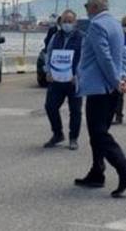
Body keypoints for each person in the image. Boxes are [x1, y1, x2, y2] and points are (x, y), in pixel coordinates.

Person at [74, 0, 126, 198]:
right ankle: (97, 172)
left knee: (99, 133)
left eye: (86, 5)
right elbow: (121, 56)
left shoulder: (96, 26)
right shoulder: (116, 25)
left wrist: (115, 82)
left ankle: (125, 170)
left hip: (100, 88)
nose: (85, 9)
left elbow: (105, 58)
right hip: (111, 88)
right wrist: (121, 79)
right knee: (98, 134)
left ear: (93, 7)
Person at [43, 9, 83, 150]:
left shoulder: (82, 38)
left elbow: (84, 59)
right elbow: (48, 53)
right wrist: (47, 71)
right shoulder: (55, 36)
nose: (67, 24)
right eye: (64, 21)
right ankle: (58, 134)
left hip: (73, 80)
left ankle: (73, 138)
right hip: (56, 79)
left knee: (75, 110)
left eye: (69, 21)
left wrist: (78, 75)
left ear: (75, 22)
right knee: (50, 106)